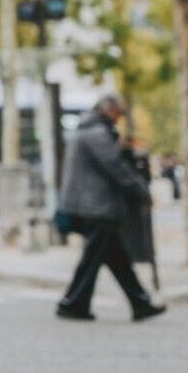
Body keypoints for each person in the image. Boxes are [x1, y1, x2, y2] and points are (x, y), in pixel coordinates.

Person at [55, 95, 166, 323]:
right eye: (118, 113)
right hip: (97, 206)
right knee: (93, 259)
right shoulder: (97, 133)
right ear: (109, 110)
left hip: (91, 205)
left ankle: (140, 303)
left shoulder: (85, 130)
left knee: (117, 258)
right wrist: (141, 190)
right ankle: (72, 303)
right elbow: (115, 167)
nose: (118, 119)